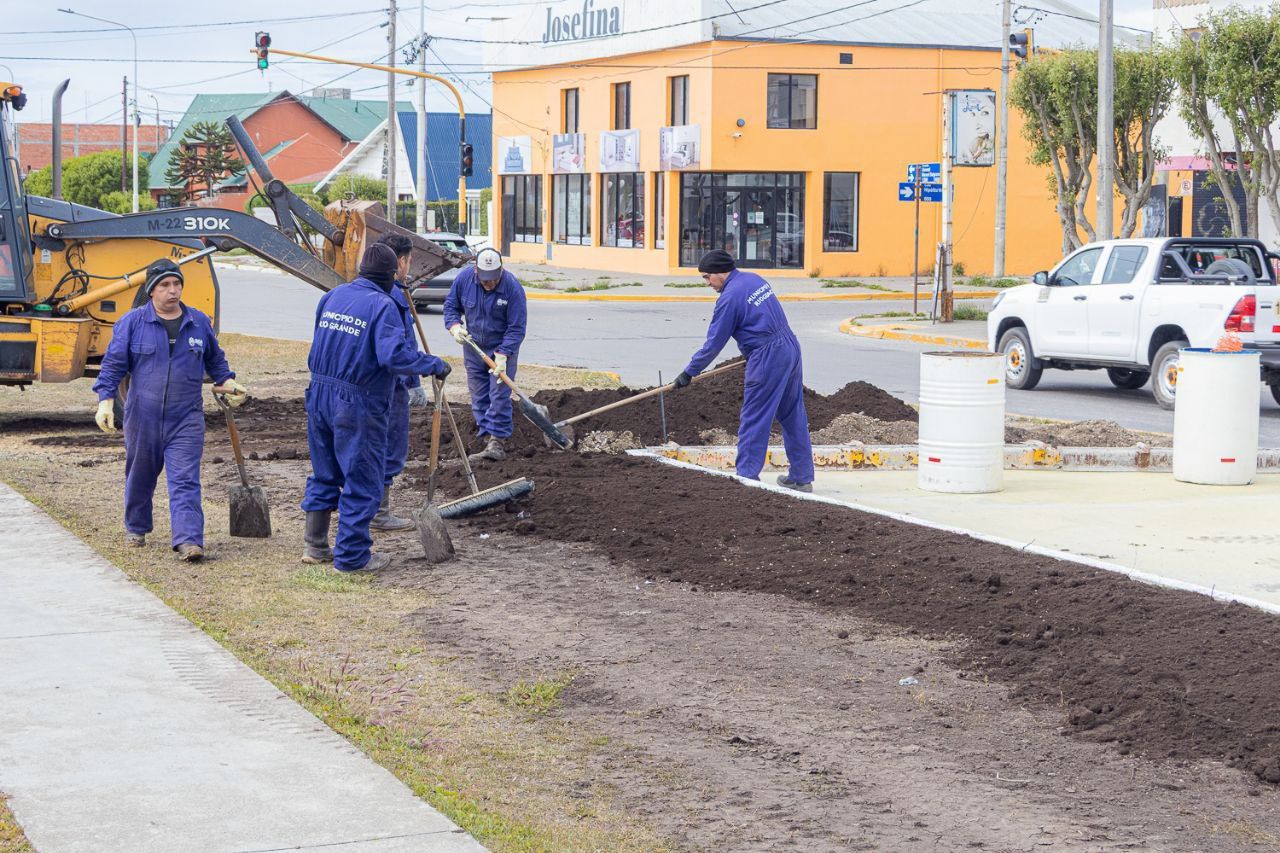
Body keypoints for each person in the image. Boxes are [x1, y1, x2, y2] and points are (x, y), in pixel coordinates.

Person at [301, 243, 452, 573]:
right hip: (356, 401)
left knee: (325, 471)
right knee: (363, 477)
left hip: (319, 393)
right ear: (390, 275)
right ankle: (352, 557)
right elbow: (393, 356)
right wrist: (432, 364)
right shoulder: (382, 305)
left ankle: (315, 545)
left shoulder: (333, 296)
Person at [92, 257, 248, 561]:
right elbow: (112, 365)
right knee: (140, 474)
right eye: (165, 285)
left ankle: (189, 540)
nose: (172, 291)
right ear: (151, 290)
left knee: (185, 478)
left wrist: (228, 382)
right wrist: (105, 401)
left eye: (177, 284)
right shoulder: (133, 322)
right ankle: (136, 527)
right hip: (143, 416)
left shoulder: (199, 322)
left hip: (185, 417)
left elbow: (216, 362)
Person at [672, 249, 815, 492]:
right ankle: (802, 477)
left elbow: (714, 343)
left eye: (707, 277)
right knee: (793, 414)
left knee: (755, 417)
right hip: (789, 346)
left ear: (720, 273)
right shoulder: (753, 279)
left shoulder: (729, 298)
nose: (707, 283)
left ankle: (746, 479)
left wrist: (689, 372)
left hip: (767, 356)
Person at [370, 232, 430, 532]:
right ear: (401, 261)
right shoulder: (393, 297)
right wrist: (414, 381)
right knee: (389, 445)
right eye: (408, 260)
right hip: (391, 385)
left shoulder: (378, 291)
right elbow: (401, 348)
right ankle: (379, 513)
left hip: (371, 384)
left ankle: (373, 508)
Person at [444, 247, 527, 462]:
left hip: (501, 349)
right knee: (479, 395)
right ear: (476, 271)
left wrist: (503, 353)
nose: (489, 283)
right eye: (485, 279)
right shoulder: (464, 280)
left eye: (493, 278)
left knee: (498, 395)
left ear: (501, 270)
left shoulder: (512, 288)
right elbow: (451, 306)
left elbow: (517, 327)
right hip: (473, 347)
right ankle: (484, 438)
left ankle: (497, 441)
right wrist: (454, 326)